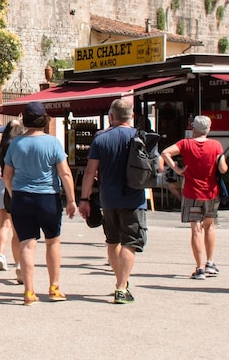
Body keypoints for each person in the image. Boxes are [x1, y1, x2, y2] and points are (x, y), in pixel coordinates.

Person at [78, 99, 152, 305]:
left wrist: (84, 198)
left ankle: (120, 280)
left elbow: (90, 172)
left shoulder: (101, 139)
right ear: (132, 116)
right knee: (130, 242)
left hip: (108, 198)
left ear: (111, 116)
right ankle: (121, 286)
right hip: (134, 197)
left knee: (112, 241)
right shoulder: (140, 137)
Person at [2, 102, 76, 305]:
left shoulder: (16, 143)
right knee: (52, 241)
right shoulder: (52, 143)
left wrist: (12, 192)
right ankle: (54, 287)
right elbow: (65, 173)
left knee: (27, 243)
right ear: (44, 119)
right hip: (47, 197)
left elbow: (6, 175)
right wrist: (71, 200)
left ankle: (28, 291)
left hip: (21, 197)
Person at [161, 115, 227, 280]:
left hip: (192, 192)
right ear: (208, 129)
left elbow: (165, 153)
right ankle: (210, 263)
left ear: (193, 129)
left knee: (196, 229)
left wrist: (178, 169)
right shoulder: (216, 145)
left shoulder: (185, 144)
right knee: (209, 226)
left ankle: (199, 268)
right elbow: (224, 169)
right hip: (211, 192)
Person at [0, 120, 24, 278]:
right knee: (17, 230)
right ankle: (18, 262)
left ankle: (0, 254)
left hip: (3, 186)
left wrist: (1, 185)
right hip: (18, 185)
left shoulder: (1, 148)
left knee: (4, 225)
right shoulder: (20, 146)